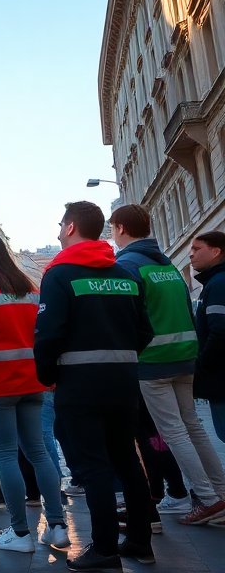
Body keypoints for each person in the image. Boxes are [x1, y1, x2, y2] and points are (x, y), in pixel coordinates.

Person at [35, 201, 154, 570]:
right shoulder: (126, 275)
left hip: (79, 384)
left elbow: (48, 334)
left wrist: (48, 376)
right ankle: (139, 542)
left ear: (71, 228)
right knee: (128, 462)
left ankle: (103, 549)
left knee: (94, 467)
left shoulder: (59, 275)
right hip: (123, 383)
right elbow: (145, 331)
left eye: (60, 225)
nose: (57, 232)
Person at [111, 205, 225, 525]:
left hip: (153, 360)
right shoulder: (167, 264)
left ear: (120, 228)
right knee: (193, 427)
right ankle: (220, 492)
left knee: (174, 432)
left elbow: (128, 318)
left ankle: (206, 498)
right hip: (185, 355)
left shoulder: (127, 265)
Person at [0, 232, 70, 554]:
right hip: (33, 381)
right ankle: (58, 525)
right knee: (38, 452)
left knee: (6, 456)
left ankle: (21, 532)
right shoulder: (28, 287)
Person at [191, 230, 225, 448]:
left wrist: (202, 365)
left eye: (196, 249)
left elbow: (220, 330)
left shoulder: (218, 284)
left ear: (215, 251)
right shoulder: (214, 283)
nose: (191, 255)